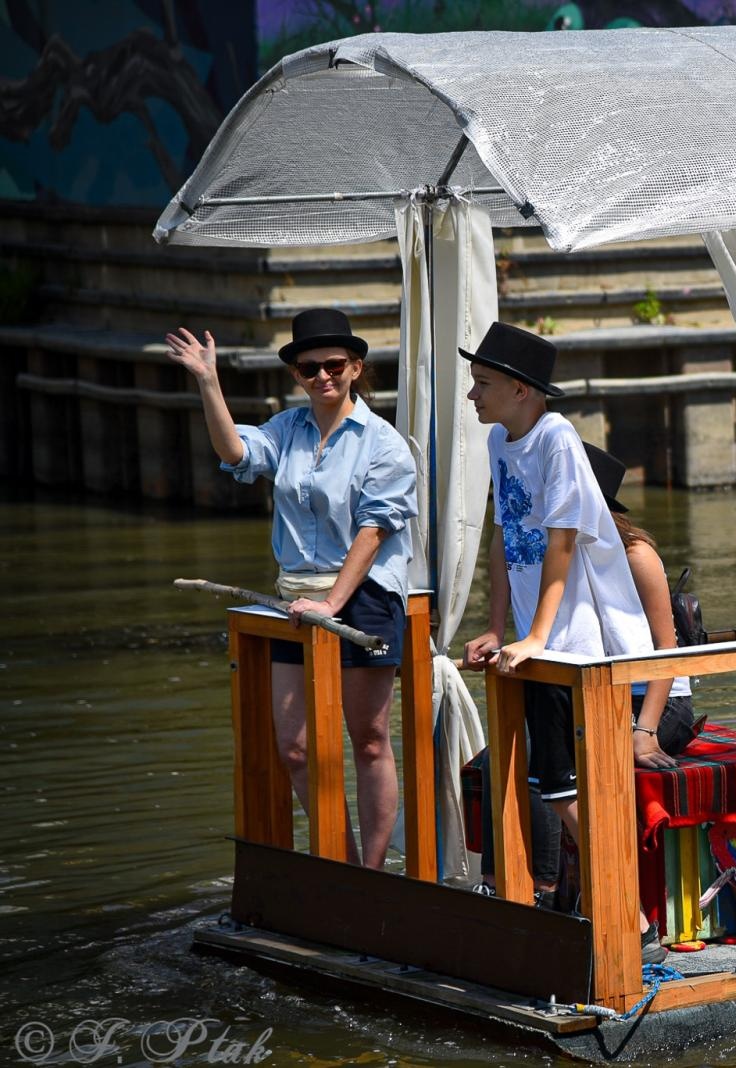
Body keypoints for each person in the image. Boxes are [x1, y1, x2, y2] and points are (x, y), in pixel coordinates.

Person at [164, 308, 417, 869]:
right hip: (297, 597)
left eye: (334, 365)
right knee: (295, 747)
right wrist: (208, 381)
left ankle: (372, 874)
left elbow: (374, 531)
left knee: (369, 739)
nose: (322, 375)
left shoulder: (384, 443)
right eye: (309, 368)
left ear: (355, 368)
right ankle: (341, 863)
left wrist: (333, 603)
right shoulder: (286, 428)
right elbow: (236, 453)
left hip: (364, 594)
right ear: (296, 375)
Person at [458, 322, 668, 963]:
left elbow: (563, 544)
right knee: (550, 786)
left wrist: (538, 637)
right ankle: (583, 905)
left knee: (565, 789)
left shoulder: (556, 439)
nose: (473, 394)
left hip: (574, 646)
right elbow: (503, 536)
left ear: (521, 390)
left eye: (483, 383)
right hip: (536, 646)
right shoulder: (499, 440)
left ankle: (632, 918)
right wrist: (498, 627)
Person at [584, 442, 698, 766]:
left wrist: (645, 729)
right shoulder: (567, 553)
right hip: (603, 694)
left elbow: (666, 646)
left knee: (578, 757)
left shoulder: (637, 556)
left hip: (660, 703)